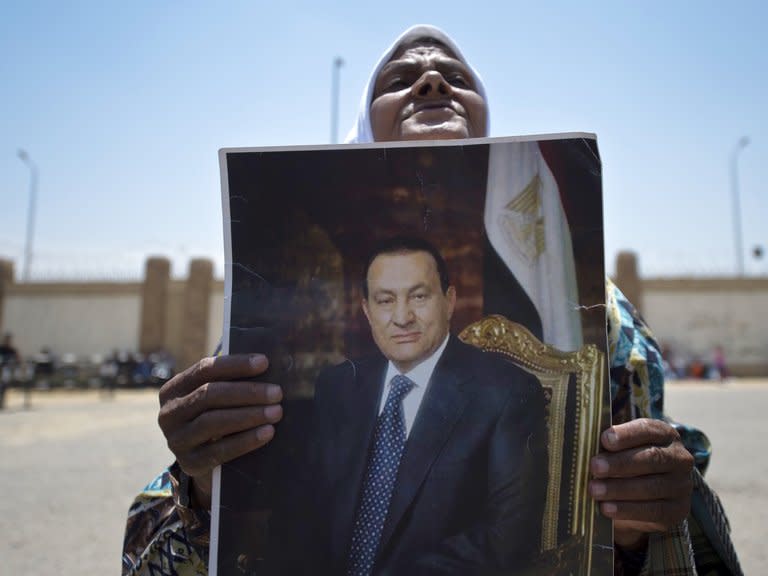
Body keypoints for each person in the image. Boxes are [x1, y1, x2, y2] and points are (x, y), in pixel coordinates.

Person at [123, 24, 742, 576]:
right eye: (400, 78)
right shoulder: (297, 354)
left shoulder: (599, 318)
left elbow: (591, 522)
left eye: (455, 77)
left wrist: (641, 523)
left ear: (448, 299)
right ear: (363, 309)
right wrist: (203, 486)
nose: (429, 82)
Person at [269, 236, 546, 574]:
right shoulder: (338, 386)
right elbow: (301, 512)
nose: (402, 317)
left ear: (449, 300)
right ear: (367, 311)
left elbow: (506, 538)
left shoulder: (505, 393)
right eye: (385, 301)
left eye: (419, 296)